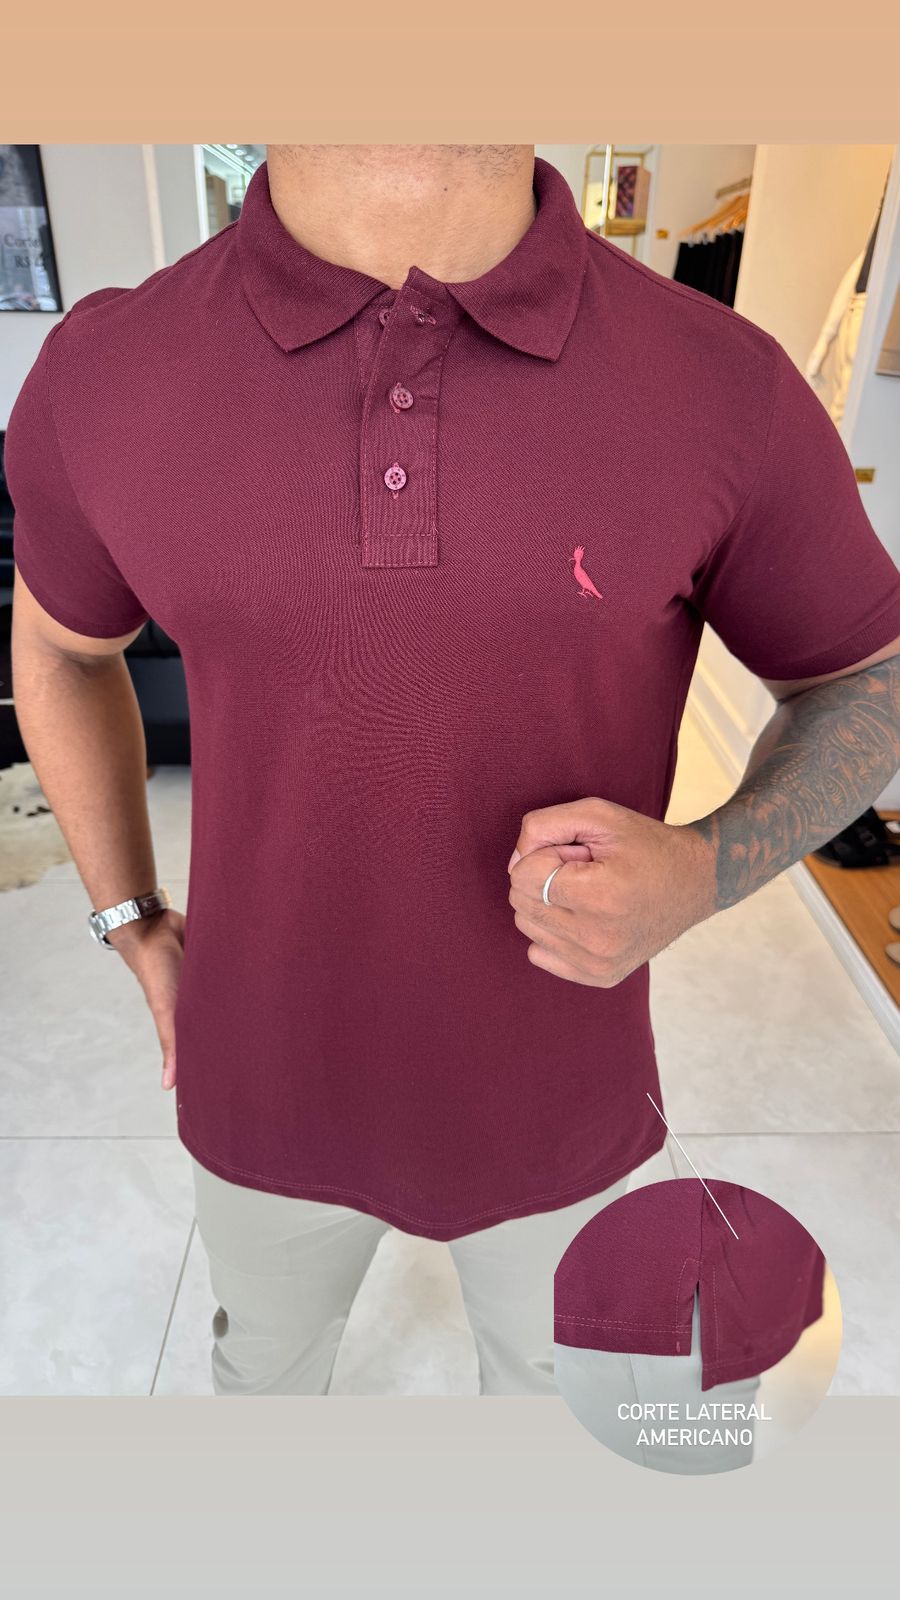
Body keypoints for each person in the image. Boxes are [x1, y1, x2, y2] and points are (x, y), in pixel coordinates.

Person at [7, 145, 900, 1396]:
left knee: (552, 1409)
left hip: (562, 1093)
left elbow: (870, 677)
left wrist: (705, 867)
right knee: (262, 1384)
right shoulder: (105, 370)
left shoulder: (722, 382)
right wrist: (129, 915)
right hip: (258, 1075)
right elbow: (60, 648)